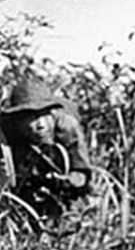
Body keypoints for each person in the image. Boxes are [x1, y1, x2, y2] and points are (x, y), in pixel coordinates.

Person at [0, 78, 91, 219]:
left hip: (62, 192)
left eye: (44, 114)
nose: (41, 124)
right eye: (31, 117)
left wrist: (65, 181)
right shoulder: (7, 130)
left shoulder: (67, 127)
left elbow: (82, 173)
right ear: (17, 119)